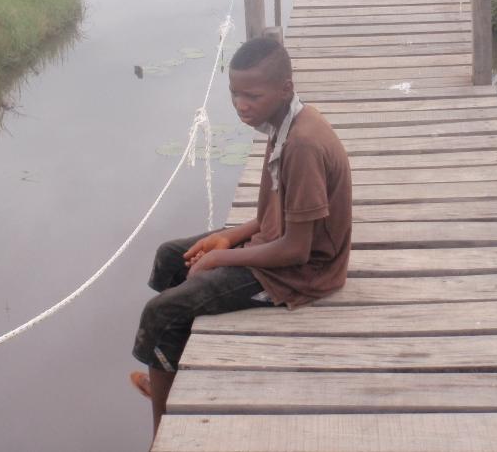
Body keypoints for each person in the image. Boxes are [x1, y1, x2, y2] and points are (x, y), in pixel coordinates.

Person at [129, 36, 352, 436]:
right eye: (235, 93)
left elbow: (297, 250)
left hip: (301, 275)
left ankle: (161, 429)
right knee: (169, 257)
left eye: (252, 96)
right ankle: (168, 367)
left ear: (285, 88)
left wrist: (220, 258)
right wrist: (229, 238)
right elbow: (271, 217)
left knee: (160, 313)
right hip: (276, 244)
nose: (241, 105)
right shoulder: (283, 121)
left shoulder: (302, 144)